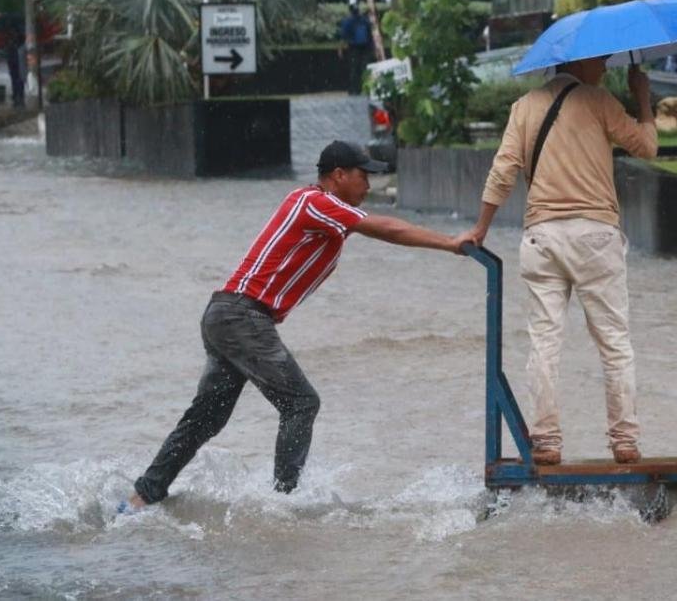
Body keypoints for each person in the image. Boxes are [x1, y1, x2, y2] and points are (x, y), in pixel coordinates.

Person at [121, 142, 469, 512]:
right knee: (301, 403)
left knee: (206, 419)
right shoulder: (314, 201)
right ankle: (283, 504)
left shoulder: (328, 216)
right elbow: (387, 229)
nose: (369, 184)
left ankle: (141, 499)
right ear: (338, 176)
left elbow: (372, 228)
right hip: (242, 316)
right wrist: (450, 243)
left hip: (228, 316)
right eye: (363, 175)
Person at [460, 59, 657, 466]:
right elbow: (647, 147)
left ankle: (546, 441)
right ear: (578, 61)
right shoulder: (600, 101)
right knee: (614, 342)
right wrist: (643, 98)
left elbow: (503, 172)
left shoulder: (524, 107)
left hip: (542, 236)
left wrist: (481, 228)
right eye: (600, 60)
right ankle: (624, 441)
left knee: (544, 342)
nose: (605, 66)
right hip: (596, 236)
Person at [337, 4, 373, 96]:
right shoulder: (364, 20)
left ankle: (354, 89)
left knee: (354, 68)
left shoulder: (348, 21)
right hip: (366, 47)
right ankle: (367, 88)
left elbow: (343, 37)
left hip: (354, 48)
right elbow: (370, 35)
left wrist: (340, 49)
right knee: (365, 68)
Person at [0, 12, 25, 108]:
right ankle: (18, 95)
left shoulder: (7, 28)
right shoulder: (19, 26)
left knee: (15, 74)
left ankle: (17, 95)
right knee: (18, 74)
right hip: (16, 50)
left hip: (13, 50)